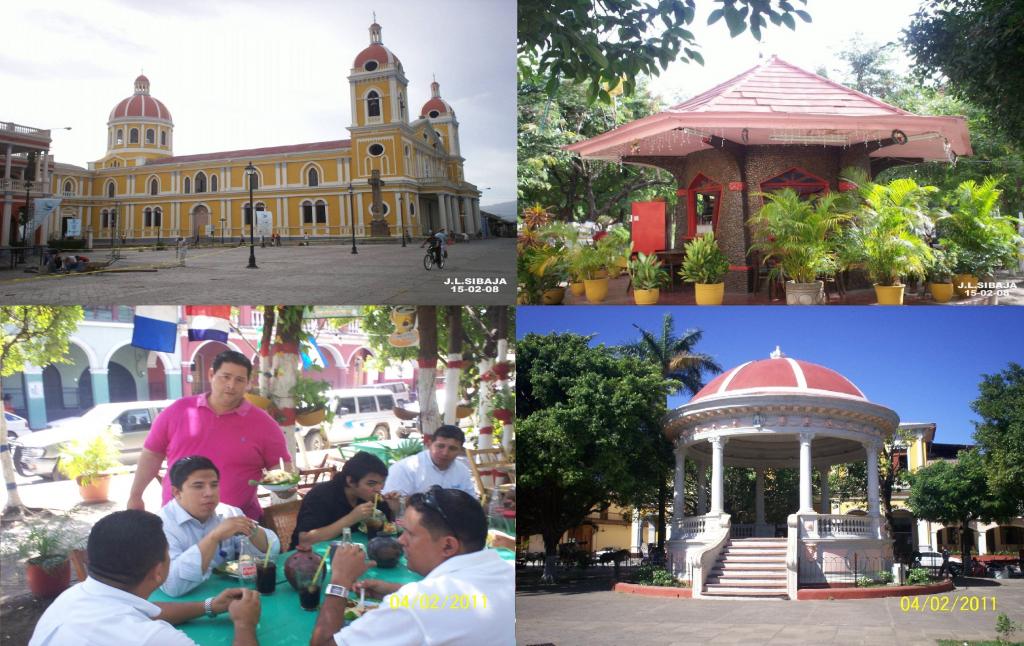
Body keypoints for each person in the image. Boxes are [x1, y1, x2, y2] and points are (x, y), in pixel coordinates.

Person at [309, 487, 514, 646]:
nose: (400, 541)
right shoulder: (510, 571)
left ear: (448, 545)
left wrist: (340, 581)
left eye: (410, 533)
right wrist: (394, 589)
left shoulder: (412, 604)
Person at [29, 510, 262, 646]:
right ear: (158, 571)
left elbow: (148, 610)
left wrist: (210, 605)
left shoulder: (71, 598)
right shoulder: (152, 638)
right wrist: (244, 624)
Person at [127, 350, 293, 520]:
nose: (231, 385)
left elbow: (280, 468)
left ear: (248, 383)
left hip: (237, 527)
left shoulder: (264, 424)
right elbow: (152, 454)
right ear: (211, 374)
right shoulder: (178, 411)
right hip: (178, 523)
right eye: (225, 377)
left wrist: (286, 488)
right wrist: (135, 495)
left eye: (239, 380)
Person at [157, 456, 280, 596]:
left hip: (230, 597)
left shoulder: (228, 512)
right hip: (185, 606)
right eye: (198, 486)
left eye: (214, 485)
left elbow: (273, 550)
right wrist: (214, 537)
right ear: (177, 492)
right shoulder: (160, 526)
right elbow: (173, 586)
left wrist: (251, 530)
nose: (209, 493)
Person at [290, 451, 396, 549]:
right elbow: (305, 540)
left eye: (382, 483)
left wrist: (394, 508)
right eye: (371, 484)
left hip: (355, 551)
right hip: (308, 558)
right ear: (350, 481)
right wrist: (352, 518)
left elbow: (388, 528)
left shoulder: (370, 496)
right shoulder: (321, 495)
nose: (379, 489)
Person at [382, 425, 478, 510]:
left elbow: (471, 502)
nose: (445, 453)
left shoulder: (462, 470)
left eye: (452, 448)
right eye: (440, 446)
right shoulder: (404, 468)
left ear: (460, 451)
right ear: (429, 444)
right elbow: (393, 506)